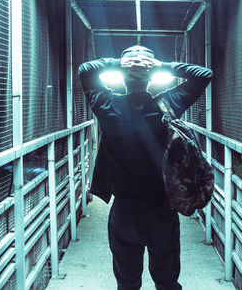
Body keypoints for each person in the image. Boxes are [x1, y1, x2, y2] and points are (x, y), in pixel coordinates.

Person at [78, 45, 213, 290]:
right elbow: (204, 75)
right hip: (161, 211)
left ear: (123, 77)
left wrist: (118, 63)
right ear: (150, 79)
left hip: (124, 212)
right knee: (167, 282)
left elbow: (85, 70)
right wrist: (161, 65)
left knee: (127, 284)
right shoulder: (166, 107)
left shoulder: (108, 108)